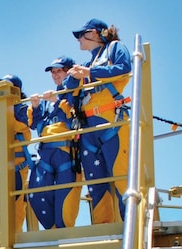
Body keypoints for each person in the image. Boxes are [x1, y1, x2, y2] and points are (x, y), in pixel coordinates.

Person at [65, 18, 132, 224]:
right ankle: (105, 229)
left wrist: (90, 73)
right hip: (88, 127)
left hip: (111, 119)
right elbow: (68, 95)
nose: (78, 40)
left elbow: (125, 67)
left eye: (80, 35)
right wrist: (75, 77)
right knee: (96, 183)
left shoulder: (115, 48)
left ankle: (132, 226)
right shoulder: (88, 63)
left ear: (94, 33)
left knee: (122, 177)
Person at [27, 57, 82, 229]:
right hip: (45, 153)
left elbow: (76, 116)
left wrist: (57, 101)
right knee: (36, 194)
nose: (55, 74)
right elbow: (35, 124)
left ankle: (64, 232)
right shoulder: (46, 99)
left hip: (66, 153)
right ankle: (52, 232)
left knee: (65, 196)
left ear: (68, 71)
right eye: (53, 72)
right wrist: (35, 106)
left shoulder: (77, 92)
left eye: (59, 70)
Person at [0, 74, 31, 231]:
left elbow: (21, 127)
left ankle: (15, 236)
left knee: (16, 203)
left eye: (5, 86)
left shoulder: (23, 108)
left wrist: (2, 112)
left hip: (17, 164)